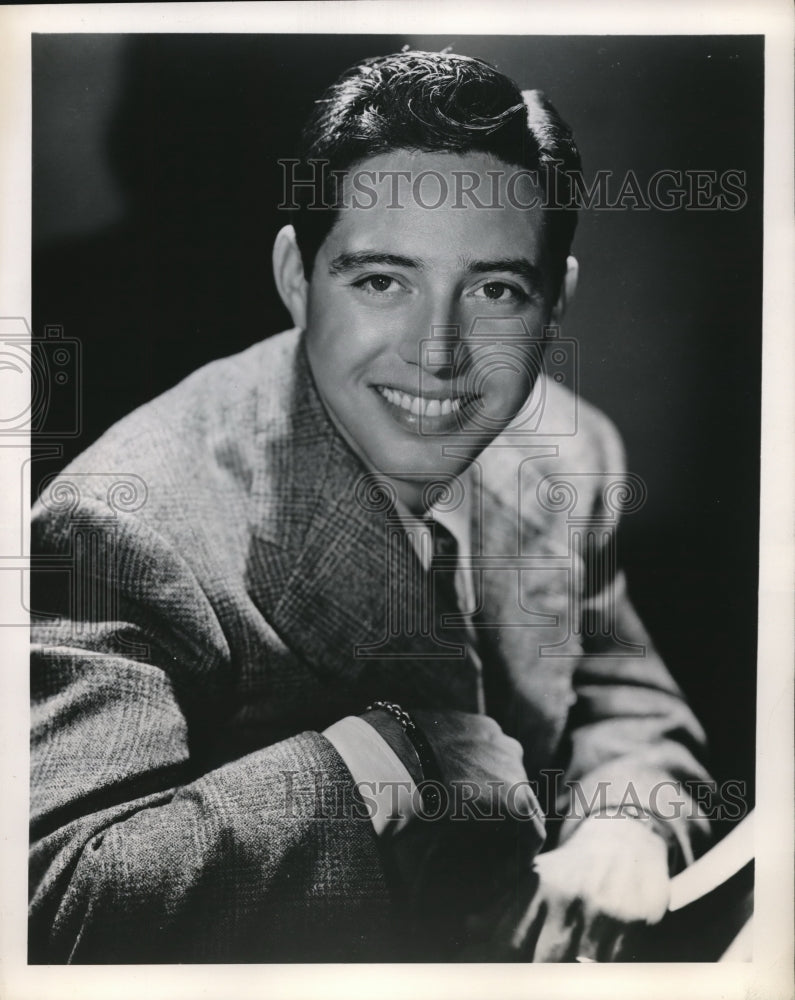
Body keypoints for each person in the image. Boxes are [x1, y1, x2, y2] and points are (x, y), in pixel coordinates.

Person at [29, 50, 712, 963]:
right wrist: (385, 759)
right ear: (293, 277)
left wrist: (623, 823)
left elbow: (622, 699)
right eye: (381, 281)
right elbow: (58, 906)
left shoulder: (570, 450)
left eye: (496, 290)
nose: (438, 353)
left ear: (557, 303)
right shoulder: (127, 523)